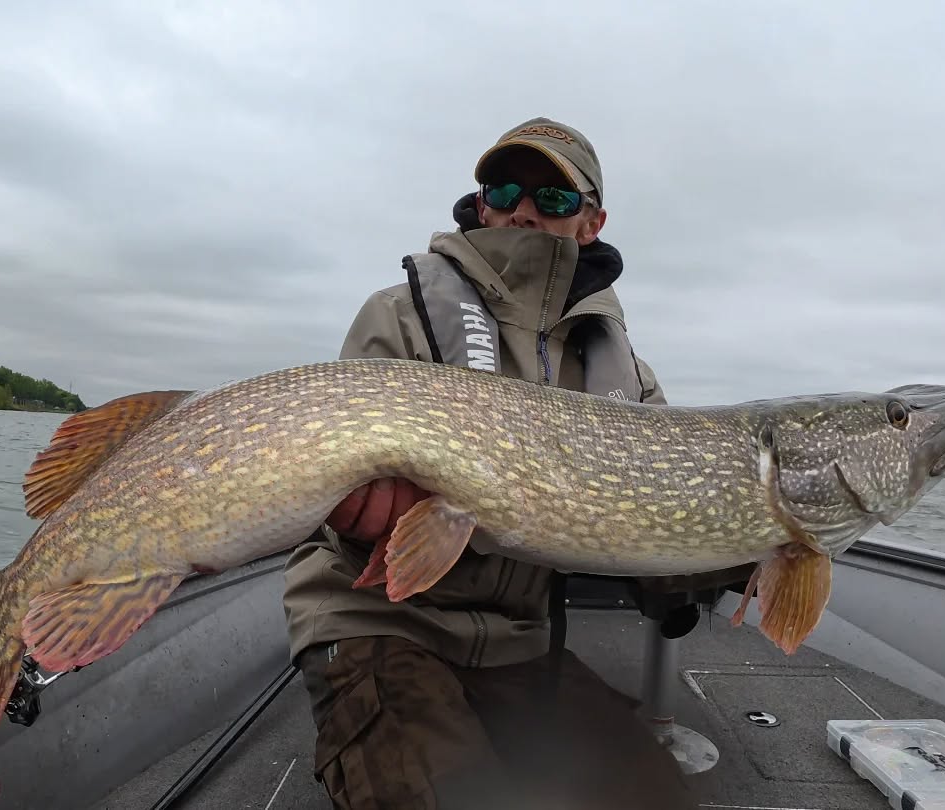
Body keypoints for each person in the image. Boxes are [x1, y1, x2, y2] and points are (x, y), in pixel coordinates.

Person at [282, 117, 697, 809]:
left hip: (518, 645)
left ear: (590, 222)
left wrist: (727, 554)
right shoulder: (402, 315)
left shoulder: (626, 377)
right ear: (482, 205)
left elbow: (658, 555)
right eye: (503, 189)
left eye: (554, 199)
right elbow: (353, 503)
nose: (523, 208)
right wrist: (363, 520)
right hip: (380, 622)